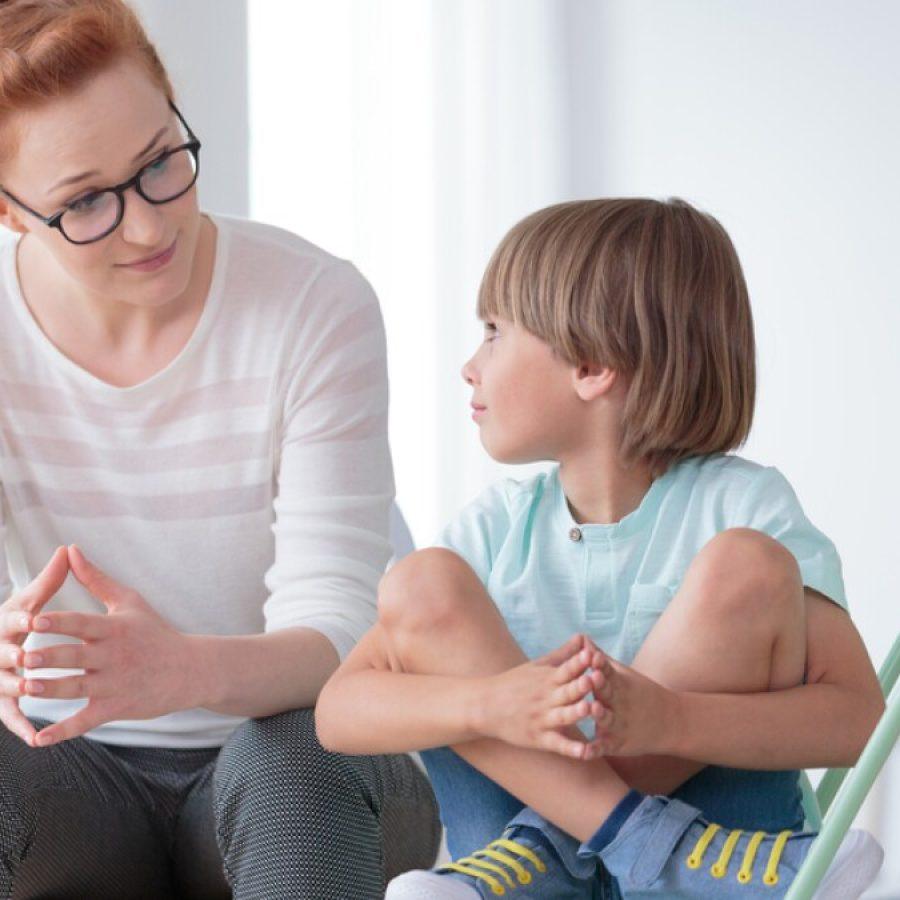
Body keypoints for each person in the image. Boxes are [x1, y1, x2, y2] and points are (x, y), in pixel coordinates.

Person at [315, 198, 886, 898]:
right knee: (420, 583)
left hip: (722, 863)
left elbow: (858, 722)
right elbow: (338, 713)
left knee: (748, 563)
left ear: (591, 365)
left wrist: (671, 718)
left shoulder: (745, 509)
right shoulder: (495, 529)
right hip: (543, 875)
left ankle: (567, 850)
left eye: (494, 332)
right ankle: (639, 844)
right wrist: (492, 703)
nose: (470, 366)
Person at [0, 1, 440, 897]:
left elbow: (342, 636)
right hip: (72, 786)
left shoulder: (314, 304)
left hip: (296, 763)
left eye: (162, 161)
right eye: (86, 201)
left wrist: (181, 670)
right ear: (9, 211)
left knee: (296, 750)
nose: (151, 226)